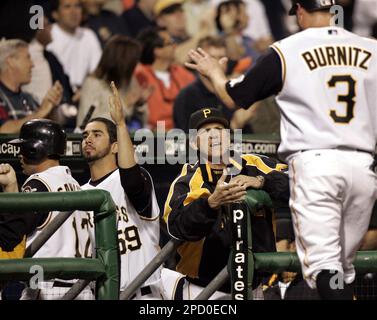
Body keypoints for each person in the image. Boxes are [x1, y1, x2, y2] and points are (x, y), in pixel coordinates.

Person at [185, 0, 377, 300]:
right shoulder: (370, 48)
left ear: (300, 10)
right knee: (342, 270)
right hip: (363, 166)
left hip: (316, 165)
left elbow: (236, 97)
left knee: (325, 270)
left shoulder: (287, 50)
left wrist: (214, 72)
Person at [163, 108, 289, 296]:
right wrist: (210, 204)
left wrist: (262, 181)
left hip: (253, 287)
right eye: (205, 131)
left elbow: (298, 181)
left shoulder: (253, 164)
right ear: (194, 143)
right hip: (203, 289)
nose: (214, 135)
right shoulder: (187, 180)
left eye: (219, 129)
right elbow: (175, 226)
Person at [81, 82, 162, 299]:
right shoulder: (80, 193)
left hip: (145, 294)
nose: (88, 139)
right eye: (85, 135)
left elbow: (131, 180)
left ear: (116, 146)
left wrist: (120, 123)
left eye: (97, 134)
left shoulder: (136, 177)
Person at [0, 119, 92, 300]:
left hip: (48, 289)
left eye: (23, 148)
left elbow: (9, 236)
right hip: (83, 290)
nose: (19, 154)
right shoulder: (75, 185)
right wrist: (11, 188)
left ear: (36, 149)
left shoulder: (39, 183)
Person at [78, 35, 150, 130]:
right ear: (122, 62)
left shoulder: (130, 80)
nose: (137, 65)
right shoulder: (93, 84)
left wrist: (140, 104)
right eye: (134, 62)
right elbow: (86, 123)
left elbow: (144, 120)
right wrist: (126, 105)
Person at [135, 27, 195, 130]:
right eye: (170, 43)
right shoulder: (139, 75)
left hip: (183, 133)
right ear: (157, 51)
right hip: (152, 137)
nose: (175, 46)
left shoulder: (182, 73)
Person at [0, 39, 63, 133]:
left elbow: (48, 130)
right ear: (11, 62)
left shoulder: (30, 99)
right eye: (27, 57)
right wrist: (40, 113)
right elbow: (3, 130)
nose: (32, 64)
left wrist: (51, 106)